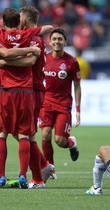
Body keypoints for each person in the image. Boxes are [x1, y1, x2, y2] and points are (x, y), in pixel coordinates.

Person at [0, 7, 53, 189]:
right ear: (19, 21)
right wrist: (31, 47)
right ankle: (28, 173)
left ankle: (29, 176)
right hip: (26, 90)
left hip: (13, 90)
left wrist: (5, 61)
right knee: (25, 134)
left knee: (3, 133)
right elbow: (48, 28)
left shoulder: (0, 35)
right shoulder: (29, 36)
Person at [39, 28, 81, 170]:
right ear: (50, 42)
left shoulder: (72, 62)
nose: (57, 41)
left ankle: (71, 143)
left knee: (59, 140)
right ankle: (49, 168)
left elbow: (77, 86)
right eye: (54, 39)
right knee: (45, 135)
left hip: (63, 105)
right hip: (46, 103)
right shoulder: (44, 59)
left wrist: (78, 110)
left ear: (65, 42)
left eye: (60, 39)